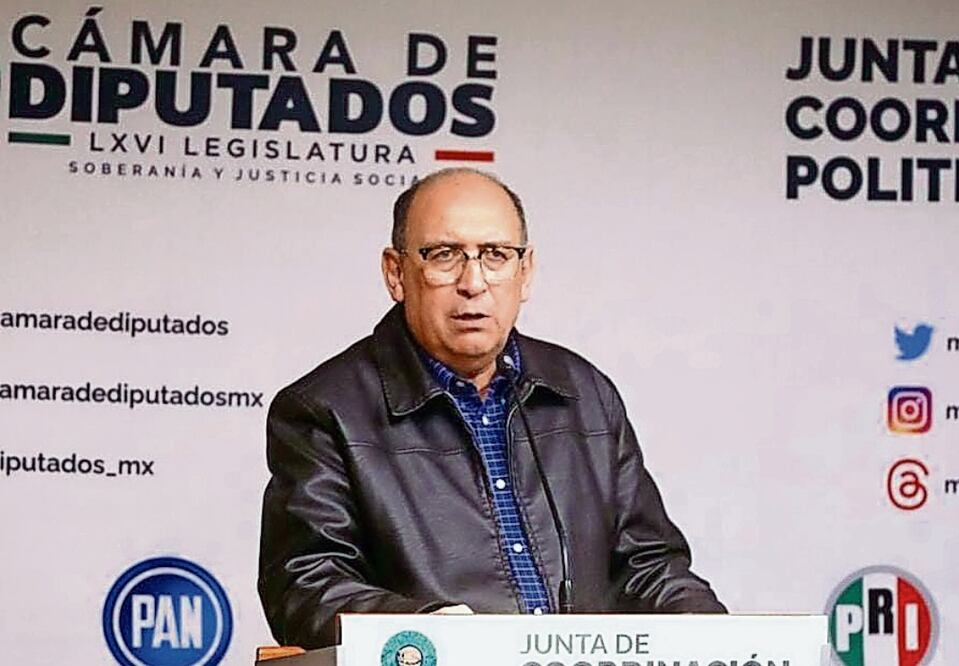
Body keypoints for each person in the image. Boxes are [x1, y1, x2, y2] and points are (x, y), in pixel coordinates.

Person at [258, 168, 726, 649]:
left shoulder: (584, 393)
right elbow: (305, 584)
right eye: (444, 255)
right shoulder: (323, 410)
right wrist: (434, 631)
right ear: (395, 273)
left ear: (525, 273)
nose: (473, 282)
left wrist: (731, 644)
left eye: (496, 256)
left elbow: (648, 569)